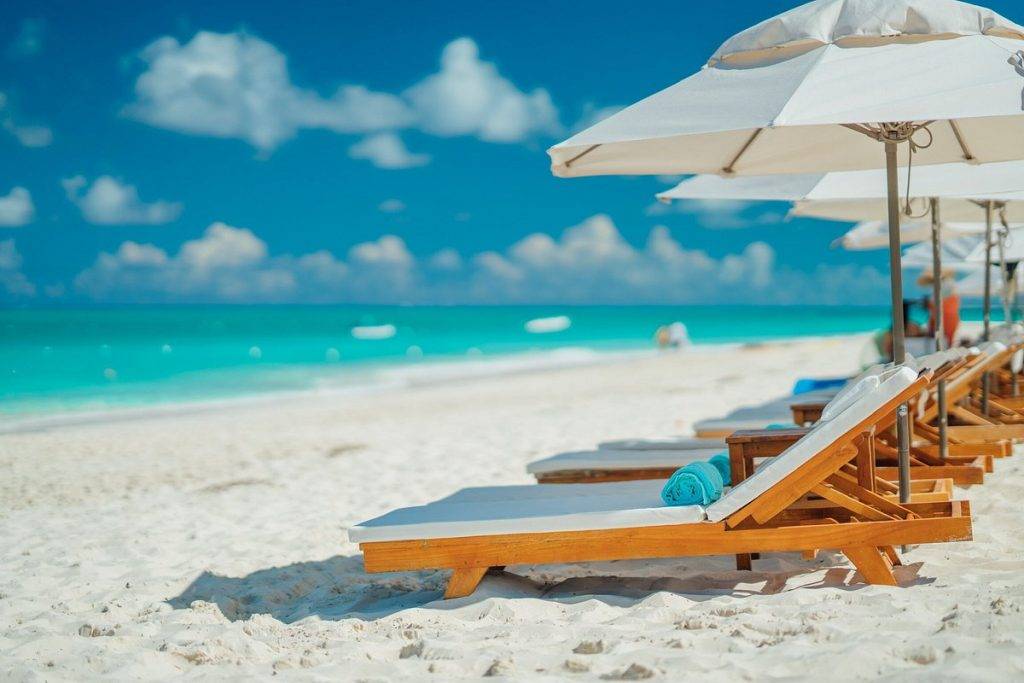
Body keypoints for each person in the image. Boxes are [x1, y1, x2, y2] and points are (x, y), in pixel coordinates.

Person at [918, 269, 960, 349]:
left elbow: (936, 304)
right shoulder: (949, 285)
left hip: (945, 319)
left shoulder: (946, 285)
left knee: (944, 341)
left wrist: (928, 303)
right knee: (947, 341)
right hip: (949, 318)